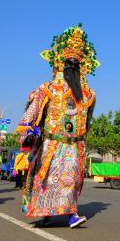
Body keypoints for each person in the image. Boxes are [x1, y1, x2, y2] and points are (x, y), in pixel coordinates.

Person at [16, 23, 97, 229]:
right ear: (60, 64)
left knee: (71, 180)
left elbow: (87, 122)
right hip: (52, 144)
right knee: (48, 181)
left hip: (74, 146)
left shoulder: (88, 94)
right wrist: (26, 132)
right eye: (69, 63)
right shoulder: (47, 88)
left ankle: (71, 215)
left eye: (75, 64)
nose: (72, 67)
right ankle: (46, 214)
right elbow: (32, 112)